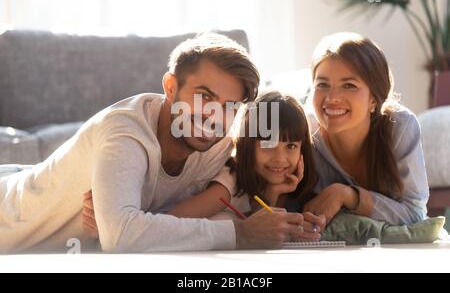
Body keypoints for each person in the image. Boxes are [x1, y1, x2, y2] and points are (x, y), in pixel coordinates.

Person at [0, 33, 306, 253]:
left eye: (229, 106)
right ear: (170, 87)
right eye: (205, 97)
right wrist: (240, 234)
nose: (213, 116)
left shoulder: (219, 144)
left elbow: (225, 204)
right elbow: (122, 237)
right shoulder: (125, 132)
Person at [83, 92, 326, 242]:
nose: (280, 158)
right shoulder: (230, 181)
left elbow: (268, 232)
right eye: (268, 145)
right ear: (247, 145)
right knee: (223, 218)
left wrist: (275, 197)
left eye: (291, 146)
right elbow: (173, 219)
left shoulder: (297, 188)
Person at [303, 32, 429, 225]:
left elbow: (415, 213)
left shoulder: (399, 126)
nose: (332, 98)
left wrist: (349, 196)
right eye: (322, 85)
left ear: (374, 99)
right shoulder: (303, 129)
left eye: (349, 85)